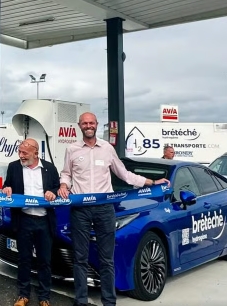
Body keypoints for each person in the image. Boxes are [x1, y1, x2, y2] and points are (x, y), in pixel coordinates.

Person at [58, 112, 171, 306]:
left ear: (96, 124)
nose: (88, 126)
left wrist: (152, 182)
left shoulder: (107, 149)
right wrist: (63, 185)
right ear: (79, 125)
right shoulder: (72, 149)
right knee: (80, 258)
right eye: (84, 123)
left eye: (91, 123)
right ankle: (81, 300)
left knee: (106, 259)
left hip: (104, 209)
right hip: (80, 210)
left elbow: (125, 175)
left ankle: (109, 302)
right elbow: (66, 174)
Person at [2, 139, 60, 306]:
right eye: (19, 152)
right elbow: (7, 185)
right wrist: (6, 188)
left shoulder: (49, 168)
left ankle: (44, 297)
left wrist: (53, 192)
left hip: (44, 221)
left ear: (36, 153)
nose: (21, 155)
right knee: (24, 259)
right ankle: (23, 295)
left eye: (25, 153)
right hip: (24, 219)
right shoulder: (14, 167)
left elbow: (57, 187)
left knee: (44, 261)